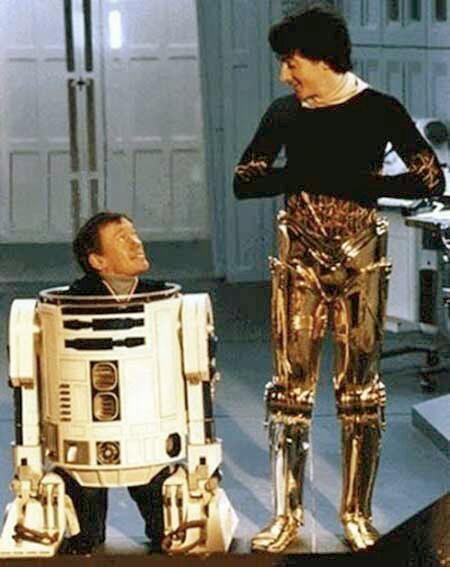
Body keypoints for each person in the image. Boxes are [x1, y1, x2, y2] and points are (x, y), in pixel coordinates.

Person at [233, 2, 445, 553]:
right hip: (299, 260)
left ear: (321, 58)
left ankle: (356, 513)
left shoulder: (379, 108)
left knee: (361, 394)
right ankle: (287, 516)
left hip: (359, 260)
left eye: (291, 61)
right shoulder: (285, 113)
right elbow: (245, 179)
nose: (285, 74)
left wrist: (354, 184)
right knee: (289, 393)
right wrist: (307, 174)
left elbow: (429, 179)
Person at [57, 211, 172, 555]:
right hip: (88, 425)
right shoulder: (71, 305)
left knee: (169, 529)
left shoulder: (161, 297)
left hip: (147, 423)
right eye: (123, 239)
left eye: (134, 234)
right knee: (85, 537)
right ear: (98, 261)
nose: (137, 243)